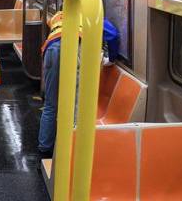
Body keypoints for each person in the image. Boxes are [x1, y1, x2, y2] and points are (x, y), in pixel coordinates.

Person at [37, 11, 120, 159]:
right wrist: (111, 59)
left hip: (51, 49)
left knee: (50, 104)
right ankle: (72, 149)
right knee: (76, 103)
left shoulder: (58, 15)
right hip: (74, 47)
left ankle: (45, 150)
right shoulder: (90, 13)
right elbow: (112, 35)